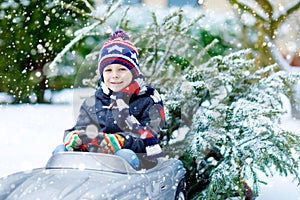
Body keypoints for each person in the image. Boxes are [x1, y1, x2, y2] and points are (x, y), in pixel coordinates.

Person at [53, 30, 165, 170]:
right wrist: (73, 136)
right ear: (102, 74)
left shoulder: (147, 99)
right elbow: (80, 128)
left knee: (123, 156)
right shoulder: (94, 101)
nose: (115, 75)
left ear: (134, 72)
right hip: (97, 159)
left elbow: (151, 135)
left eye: (122, 69)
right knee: (61, 152)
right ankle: (64, 185)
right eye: (108, 70)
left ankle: (124, 189)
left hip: (137, 160)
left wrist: (121, 141)